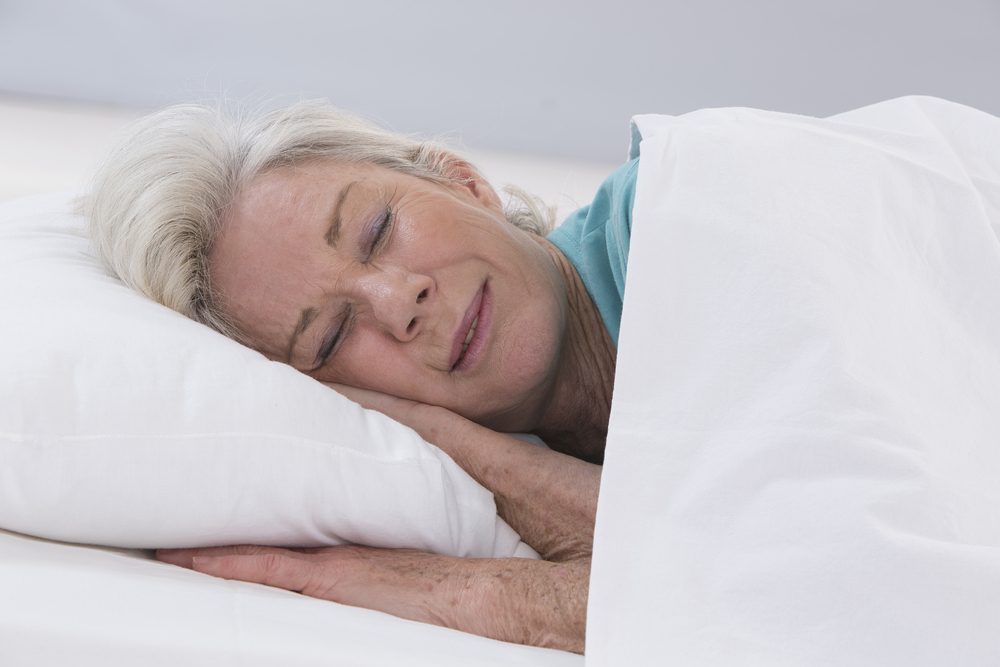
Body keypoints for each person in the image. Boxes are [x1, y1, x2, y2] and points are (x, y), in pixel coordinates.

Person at [84, 100, 635, 654]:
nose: (398, 303)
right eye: (332, 335)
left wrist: (490, 592)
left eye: (377, 230)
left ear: (461, 180)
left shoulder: (679, 212)